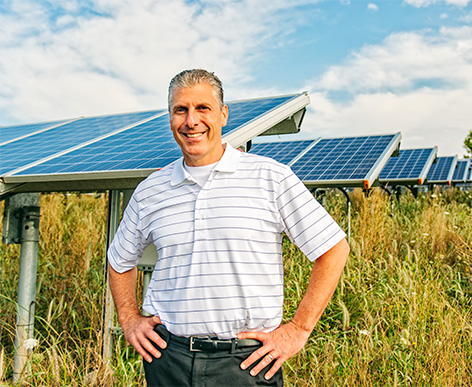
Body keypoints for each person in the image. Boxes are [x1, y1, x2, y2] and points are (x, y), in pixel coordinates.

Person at [107, 69, 349, 386]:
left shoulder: (269, 177)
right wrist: (128, 320)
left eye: (202, 108)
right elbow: (119, 261)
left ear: (223, 115)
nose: (191, 121)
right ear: (170, 118)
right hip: (168, 359)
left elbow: (332, 249)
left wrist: (298, 330)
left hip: (246, 363)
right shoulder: (152, 190)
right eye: (181, 110)